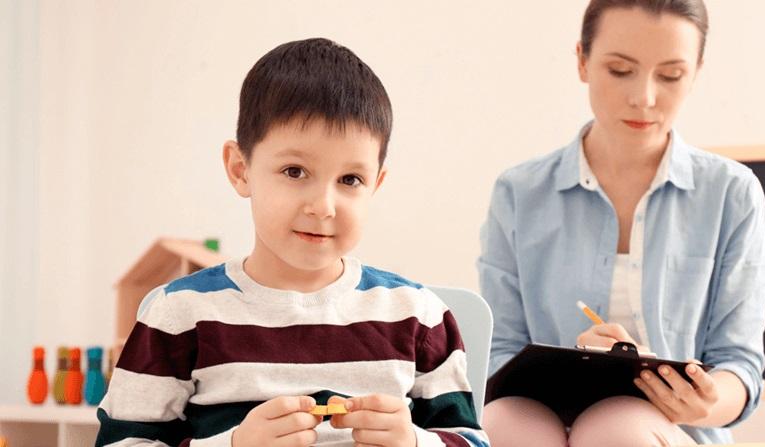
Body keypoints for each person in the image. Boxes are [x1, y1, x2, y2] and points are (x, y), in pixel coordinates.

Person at [96, 38, 489, 447]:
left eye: (350, 180)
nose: (323, 206)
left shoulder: (418, 317)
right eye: (295, 171)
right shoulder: (179, 316)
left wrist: (414, 442)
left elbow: (471, 441)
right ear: (240, 169)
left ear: (376, 184)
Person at [477, 1, 765, 445]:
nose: (644, 97)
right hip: (537, 422)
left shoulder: (732, 193)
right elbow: (497, 354)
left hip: (667, 431)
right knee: (500, 425)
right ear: (582, 61)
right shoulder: (519, 193)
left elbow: (740, 364)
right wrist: (574, 368)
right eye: (620, 70)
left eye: (671, 75)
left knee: (618, 429)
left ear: (696, 71)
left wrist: (706, 401)